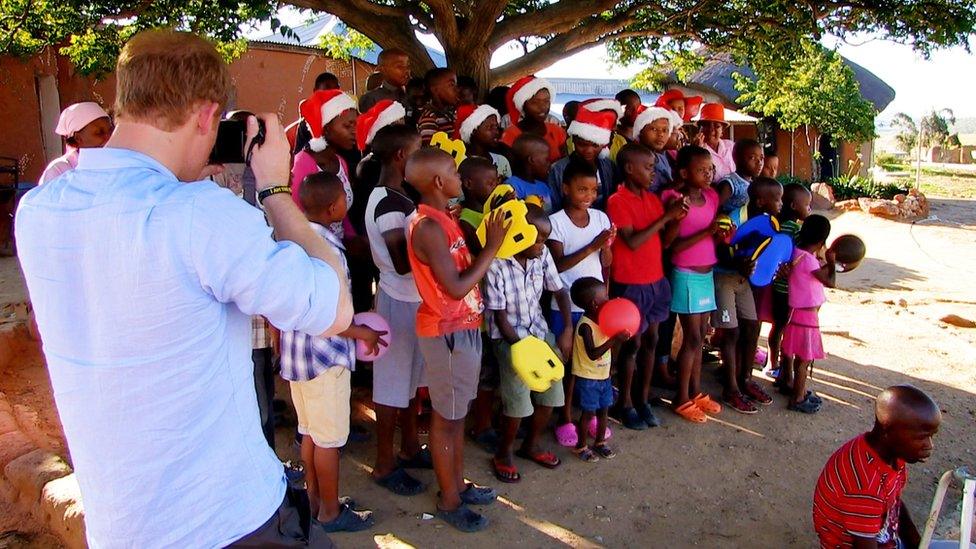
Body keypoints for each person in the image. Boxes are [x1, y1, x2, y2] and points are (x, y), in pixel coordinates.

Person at [16, 29, 354, 547]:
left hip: (121, 525)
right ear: (205, 115)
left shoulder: (37, 212)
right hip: (229, 520)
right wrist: (277, 191)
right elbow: (333, 309)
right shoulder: (201, 215)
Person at [406, 148, 507, 532]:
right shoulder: (427, 227)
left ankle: (458, 486)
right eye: (452, 171)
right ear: (437, 183)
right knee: (447, 420)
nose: (458, 176)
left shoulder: (443, 219)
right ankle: (449, 500)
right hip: (447, 333)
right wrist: (493, 248)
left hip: (462, 328)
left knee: (456, 416)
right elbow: (455, 286)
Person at [283, 172, 383, 533]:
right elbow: (328, 315)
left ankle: (314, 501)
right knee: (328, 442)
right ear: (332, 208)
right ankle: (329, 511)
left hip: (299, 358)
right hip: (326, 361)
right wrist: (363, 333)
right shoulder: (328, 252)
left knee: (310, 434)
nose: (347, 201)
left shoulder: (297, 241)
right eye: (344, 197)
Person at [361, 124, 432, 496]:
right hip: (398, 300)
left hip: (411, 300)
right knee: (391, 386)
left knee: (408, 383)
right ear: (402, 157)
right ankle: (384, 463)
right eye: (419, 150)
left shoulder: (398, 195)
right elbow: (403, 264)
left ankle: (408, 448)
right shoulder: (388, 203)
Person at [487, 204, 573, 482]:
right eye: (537, 240)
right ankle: (504, 452)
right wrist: (525, 351)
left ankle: (531, 444)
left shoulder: (542, 254)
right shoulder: (495, 264)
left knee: (551, 391)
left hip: (538, 331)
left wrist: (568, 328)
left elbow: (559, 291)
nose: (542, 245)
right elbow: (500, 317)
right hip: (510, 340)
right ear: (517, 236)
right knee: (518, 402)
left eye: (545, 239)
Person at [608, 143, 688, 430]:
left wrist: (676, 219)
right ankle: (625, 403)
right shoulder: (618, 201)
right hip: (631, 283)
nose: (653, 172)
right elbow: (631, 241)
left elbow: (665, 242)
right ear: (629, 168)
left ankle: (642, 399)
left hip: (656, 280)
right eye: (648, 167)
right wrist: (666, 217)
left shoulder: (653, 200)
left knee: (653, 340)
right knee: (632, 345)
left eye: (654, 166)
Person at [813, 385, 941, 549]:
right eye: (922, 437)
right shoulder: (865, 484)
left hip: (884, 538)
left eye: (931, 436)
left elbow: (893, 502)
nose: (930, 445)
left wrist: (917, 543)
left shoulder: (891, 454)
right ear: (888, 431)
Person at [546, 159, 614, 442]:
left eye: (594, 190)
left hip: (595, 307)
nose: (589, 196)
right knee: (566, 366)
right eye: (582, 190)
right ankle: (564, 419)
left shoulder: (600, 218)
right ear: (565, 189)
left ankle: (586, 418)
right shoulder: (555, 222)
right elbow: (557, 266)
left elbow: (606, 262)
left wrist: (606, 246)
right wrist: (592, 246)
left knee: (589, 367)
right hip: (564, 305)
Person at [662, 145, 723, 424]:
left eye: (710, 169)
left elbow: (712, 234)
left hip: (706, 274)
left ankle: (695, 391)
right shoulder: (674, 199)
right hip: (685, 274)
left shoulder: (711, 197)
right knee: (693, 338)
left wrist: (720, 234)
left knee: (700, 337)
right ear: (685, 173)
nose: (708, 174)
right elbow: (672, 246)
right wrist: (706, 233)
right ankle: (681, 397)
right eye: (701, 170)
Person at [711, 176, 781, 414]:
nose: (780, 204)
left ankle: (746, 379)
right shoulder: (733, 218)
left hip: (744, 281)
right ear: (760, 201)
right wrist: (737, 262)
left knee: (751, 326)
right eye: (777, 199)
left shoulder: (768, 222)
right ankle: (731, 388)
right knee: (731, 333)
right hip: (724, 278)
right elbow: (717, 250)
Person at [456, 157, 507, 452]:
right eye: (489, 183)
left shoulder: (493, 214)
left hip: (498, 299)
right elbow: (482, 253)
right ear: (468, 184)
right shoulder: (466, 220)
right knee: (485, 369)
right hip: (481, 305)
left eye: (496, 181)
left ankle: (489, 419)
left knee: (493, 367)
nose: (494, 187)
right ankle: (482, 424)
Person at [570, 277, 631, 462]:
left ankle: (599, 442)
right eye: (605, 295)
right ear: (595, 303)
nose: (608, 298)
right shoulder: (585, 326)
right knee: (588, 413)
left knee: (604, 410)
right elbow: (593, 353)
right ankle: (580, 446)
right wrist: (615, 339)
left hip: (603, 375)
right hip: (588, 377)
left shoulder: (604, 320)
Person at [781, 214, 836, 414]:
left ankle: (798, 388)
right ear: (822, 241)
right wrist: (831, 262)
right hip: (807, 315)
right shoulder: (811, 262)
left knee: (795, 354)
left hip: (796, 311)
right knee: (804, 358)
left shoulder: (798, 253)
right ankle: (798, 398)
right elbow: (831, 282)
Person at [291, 90, 359, 238]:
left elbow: (343, 215)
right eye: (348, 126)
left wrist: (353, 239)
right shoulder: (303, 162)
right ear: (326, 129)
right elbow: (294, 215)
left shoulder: (341, 163)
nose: (355, 131)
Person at [762, 183, 810, 381]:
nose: (809, 209)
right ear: (793, 206)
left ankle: (772, 363)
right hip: (788, 288)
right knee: (785, 328)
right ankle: (782, 369)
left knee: (776, 326)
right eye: (807, 205)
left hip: (775, 286)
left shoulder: (775, 225)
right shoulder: (793, 230)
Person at [547, 107, 617, 211]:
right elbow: (555, 205)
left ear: (603, 144)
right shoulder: (558, 169)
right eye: (582, 145)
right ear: (573, 141)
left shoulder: (608, 166)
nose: (588, 150)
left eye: (595, 145)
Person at [39, 102, 113, 184]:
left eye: (111, 131)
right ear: (78, 138)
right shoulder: (58, 170)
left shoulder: (114, 164)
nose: (109, 138)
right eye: (99, 133)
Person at [500, 75, 566, 161]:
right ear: (523, 105)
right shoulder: (510, 134)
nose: (542, 107)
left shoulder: (557, 131)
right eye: (535, 102)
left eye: (546, 101)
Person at [632, 106, 684, 193]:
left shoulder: (662, 157)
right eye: (654, 129)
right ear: (640, 131)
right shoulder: (635, 159)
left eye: (665, 130)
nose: (661, 134)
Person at [455, 103, 512, 178]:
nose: (497, 132)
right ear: (473, 131)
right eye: (490, 127)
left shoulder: (502, 161)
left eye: (497, 127)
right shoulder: (458, 162)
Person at [289, 72, 341, 154]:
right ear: (315, 92)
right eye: (325, 93)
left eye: (334, 92)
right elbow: (298, 157)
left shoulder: (348, 118)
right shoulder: (306, 124)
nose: (330, 97)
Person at [508, 134, 555, 213]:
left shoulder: (544, 186)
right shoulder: (513, 185)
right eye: (546, 159)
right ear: (532, 160)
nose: (549, 164)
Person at [716, 139, 764, 216]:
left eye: (761, 158)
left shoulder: (754, 183)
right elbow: (715, 209)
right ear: (736, 158)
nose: (759, 162)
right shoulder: (730, 184)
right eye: (752, 158)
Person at [358, 48, 410, 113]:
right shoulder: (372, 99)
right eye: (400, 67)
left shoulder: (412, 95)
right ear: (383, 70)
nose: (406, 71)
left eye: (408, 66)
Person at [418, 68, 459, 145]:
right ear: (435, 90)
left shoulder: (452, 113)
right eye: (451, 85)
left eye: (456, 85)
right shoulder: (429, 119)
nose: (457, 89)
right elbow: (430, 152)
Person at [695, 103, 736, 181]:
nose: (711, 129)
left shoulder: (731, 146)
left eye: (717, 126)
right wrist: (696, 151)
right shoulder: (695, 150)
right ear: (700, 129)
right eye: (706, 125)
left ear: (722, 130)